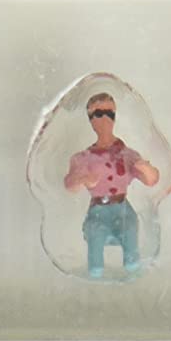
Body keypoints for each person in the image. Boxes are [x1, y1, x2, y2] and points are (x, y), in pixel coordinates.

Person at [63, 93, 160, 278]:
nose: (105, 119)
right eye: (98, 114)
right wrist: (82, 178)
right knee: (95, 266)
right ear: (90, 119)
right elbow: (69, 185)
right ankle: (94, 284)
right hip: (98, 212)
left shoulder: (127, 154)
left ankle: (133, 278)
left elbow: (152, 180)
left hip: (122, 210)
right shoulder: (83, 158)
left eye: (110, 113)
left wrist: (145, 168)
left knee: (132, 260)